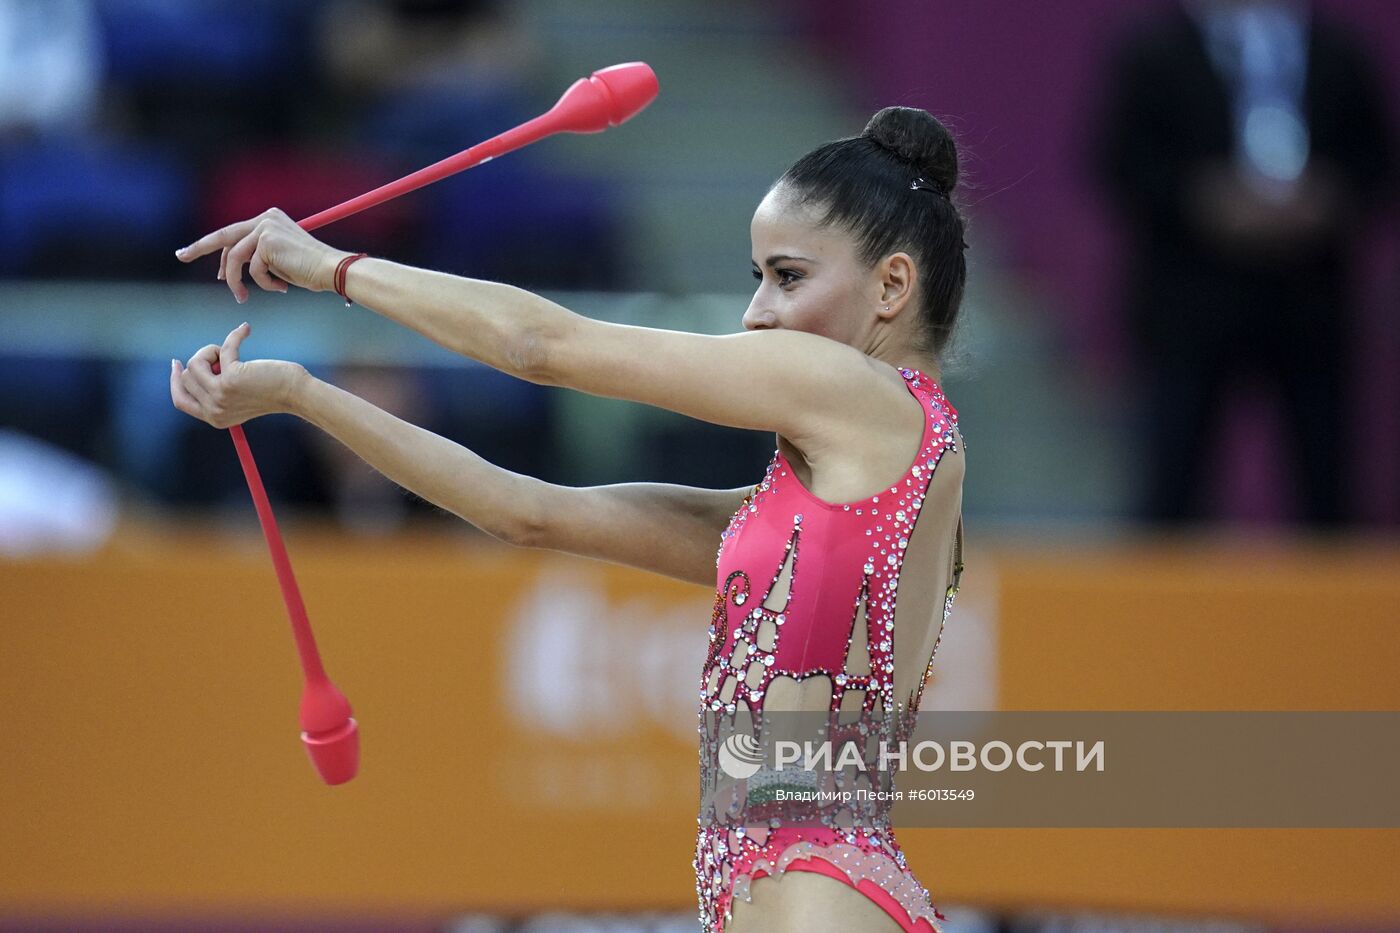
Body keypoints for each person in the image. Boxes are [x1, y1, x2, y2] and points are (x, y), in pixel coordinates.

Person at [169, 105, 968, 933]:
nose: (756, 311)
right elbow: (524, 512)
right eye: (756, 276)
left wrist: (331, 268)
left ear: (891, 287)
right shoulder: (825, 509)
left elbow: (538, 346)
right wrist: (301, 394)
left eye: (789, 277)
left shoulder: (866, 397)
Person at [1093, 0, 1395, 527]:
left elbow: (1375, 159)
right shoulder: (1155, 52)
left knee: (1327, 488)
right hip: (1190, 302)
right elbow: (1122, 160)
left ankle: (1335, 609)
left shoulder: (1339, 52)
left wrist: (1328, 198)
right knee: (1174, 484)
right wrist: (1202, 199)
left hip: (1311, 301)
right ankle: (1159, 607)